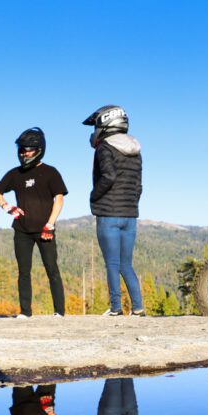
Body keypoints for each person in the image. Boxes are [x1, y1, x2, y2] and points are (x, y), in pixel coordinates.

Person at [0, 127, 67, 318]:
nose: (25, 153)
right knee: (23, 272)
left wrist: (50, 224)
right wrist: (7, 207)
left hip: (45, 230)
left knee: (52, 270)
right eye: (22, 149)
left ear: (39, 149)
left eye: (29, 149)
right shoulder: (14, 174)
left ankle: (59, 311)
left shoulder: (50, 172)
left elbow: (59, 199)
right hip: (22, 231)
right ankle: (25, 312)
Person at [83, 105, 144, 316]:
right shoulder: (136, 150)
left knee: (112, 263)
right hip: (130, 215)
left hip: (108, 214)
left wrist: (94, 196)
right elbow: (138, 186)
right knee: (126, 264)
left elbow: (108, 176)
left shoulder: (105, 148)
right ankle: (138, 307)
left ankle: (116, 308)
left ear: (104, 124)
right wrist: (131, 204)